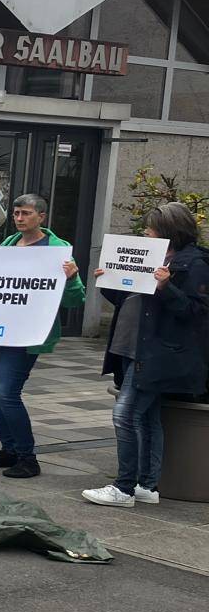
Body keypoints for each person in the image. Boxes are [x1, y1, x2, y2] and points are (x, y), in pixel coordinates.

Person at [0, 193, 85, 479]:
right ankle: (8, 449)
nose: (19, 218)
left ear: (41, 217)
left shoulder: (57, 251)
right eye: (16, 214)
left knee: (8, 394)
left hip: (25, 335)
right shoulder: (8, 244)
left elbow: (75, 300)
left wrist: (70, 279)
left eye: (25, 214)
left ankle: (27, 456)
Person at [83, 202, 209, 507]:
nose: (145, 232)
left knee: (124, 415)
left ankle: (123, 488)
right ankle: (146, 485)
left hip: (155, 353)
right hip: (133, 347)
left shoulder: (193, 264)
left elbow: (197, 312)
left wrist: (166, 287)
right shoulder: (151, 257)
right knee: (148, 418)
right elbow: (131, 300)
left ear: (169, 232)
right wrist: (109, 282)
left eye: (150, 227)